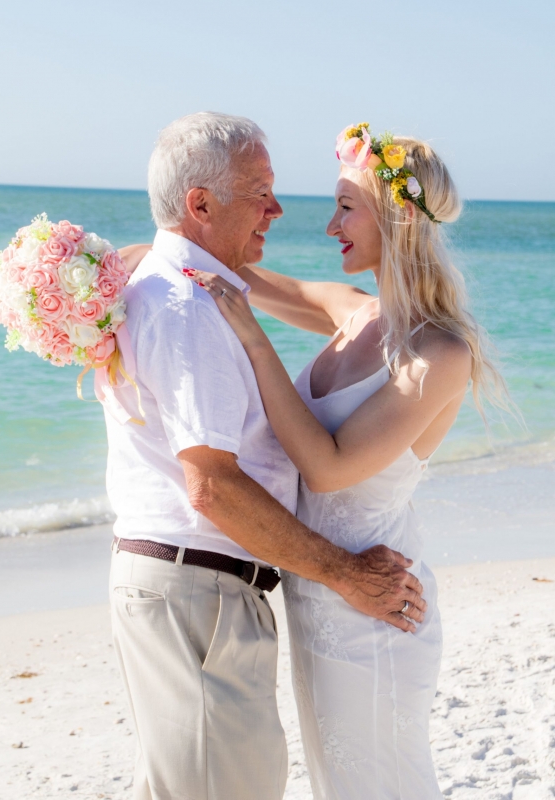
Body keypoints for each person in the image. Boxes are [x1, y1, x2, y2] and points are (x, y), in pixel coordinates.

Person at [180, 123, 509, 798]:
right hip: (318, 593)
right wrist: (130, 259)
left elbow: (328, 467)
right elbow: (240, 274)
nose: (330, 224)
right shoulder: (354, 313)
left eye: (345, 206)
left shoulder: (439, 354)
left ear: (397, 216)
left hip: (377, 604)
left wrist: (252, 340)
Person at [107, 112, 426, 800]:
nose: (283, 212)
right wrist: (345, 573)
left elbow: (283, 291)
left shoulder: (196, 287)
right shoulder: (191, 307)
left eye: (345, 206)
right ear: (200, 204)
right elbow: (212, 489)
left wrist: (158, 249)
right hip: (202, 587)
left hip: (218, 589)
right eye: (262, 192)